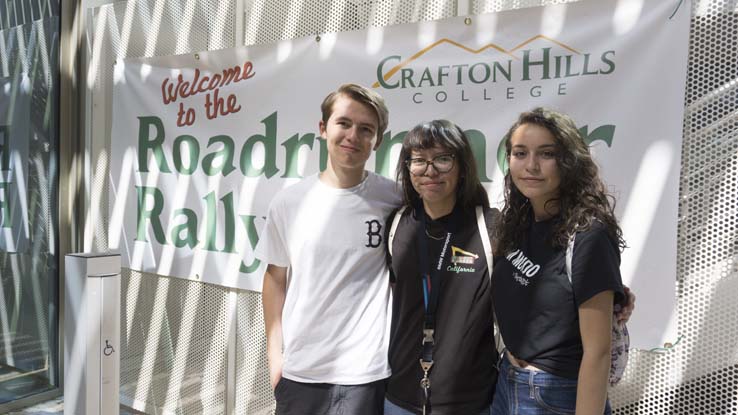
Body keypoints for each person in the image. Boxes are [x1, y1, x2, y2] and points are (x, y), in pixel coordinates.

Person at [256, 84, 401, 415]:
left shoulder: (393, 199)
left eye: (366, 129)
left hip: (367, 375)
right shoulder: (289, 202)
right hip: (301, 372)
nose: (353, 135)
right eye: (344, 123)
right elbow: (275, 277)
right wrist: (274, 355)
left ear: (377, 140)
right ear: (323, 129)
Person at [490, 107, 627, 415]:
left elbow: (598, 352)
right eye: (520, 153)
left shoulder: (589, 235)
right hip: (506, 381)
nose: (531, 166)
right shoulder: (518, 222)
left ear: (568, 161)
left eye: (546, 154)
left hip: (556, 394)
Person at [384, 120, 498, 415]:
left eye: (443, 159)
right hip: (399, 396)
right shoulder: (397, 224)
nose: (430, 171)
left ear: (462, 167)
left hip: (470, 401)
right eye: (419, 160)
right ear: (407, 168)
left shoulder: (491, 227)